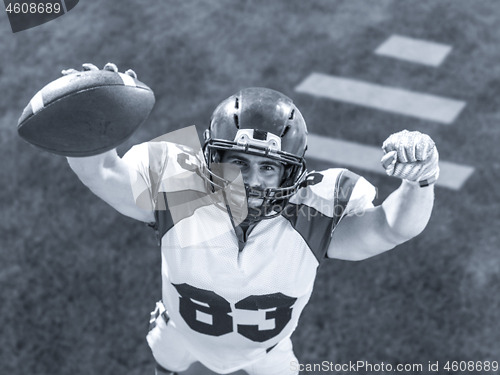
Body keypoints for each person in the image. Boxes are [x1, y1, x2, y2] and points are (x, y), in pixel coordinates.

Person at [65, 63, 439, 375]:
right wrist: (85, 120)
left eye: (268, 167)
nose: (250, 180)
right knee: (168, 362)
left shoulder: (311, 213)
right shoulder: (180, 190)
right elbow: (100, 172)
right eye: (238, 162)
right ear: (212, 158)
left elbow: (391, 227)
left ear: (290, 173)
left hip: (267, 354)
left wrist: (419, 179)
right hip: (179, 333)